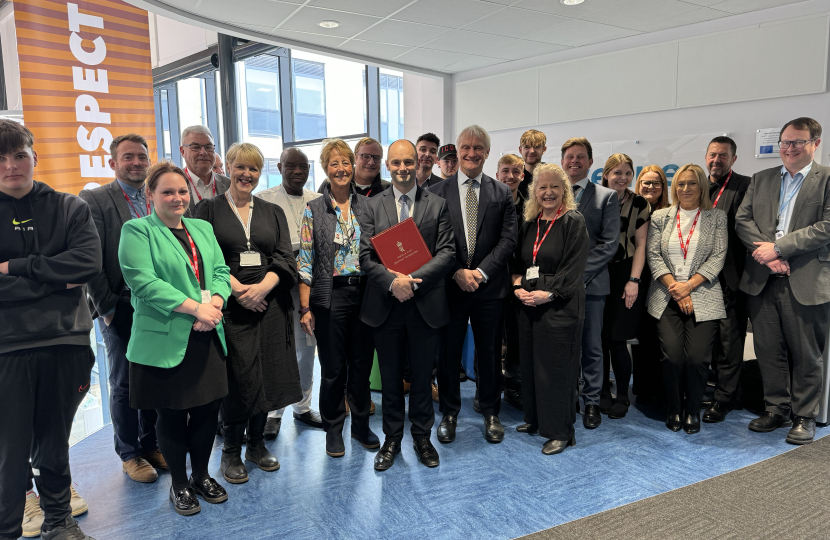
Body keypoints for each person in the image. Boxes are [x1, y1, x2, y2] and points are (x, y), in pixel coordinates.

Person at [0, 119, 102, 540]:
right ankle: (8, 527)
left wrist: (14, 270)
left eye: (19, 155)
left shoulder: (68, 207)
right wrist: (55, 281)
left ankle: (59, 522)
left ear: (33, 158)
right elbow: (70, 271)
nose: (10, 166)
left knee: (54, 441)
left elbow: (88, 265)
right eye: (1, 158)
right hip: (7, 347)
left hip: (66, 340)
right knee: (10, 449)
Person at [119, 161, 231, 516]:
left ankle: (202, 476)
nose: (177, 197)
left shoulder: (202, 227)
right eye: (167, 191)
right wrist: (194, 309)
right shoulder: (137, 231)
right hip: (166, 339)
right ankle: (179, 484)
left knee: (206, 413)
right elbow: (144, 282)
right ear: (151, 195)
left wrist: (214, 302)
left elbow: (220, 271)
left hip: (208, 333)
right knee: (171, 416)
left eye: (182, 191)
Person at [195, 142, 302, 483]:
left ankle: (256, 445)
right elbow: (203, 259)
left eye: (254, 169)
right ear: (226, 167)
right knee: (238, 378)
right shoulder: (206, 210)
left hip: (270, 304)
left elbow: (285, 256)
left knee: (268, 375)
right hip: (230, 306)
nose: (247, 174)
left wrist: (264, 287)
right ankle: (230, 452)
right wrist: (239, 290)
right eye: (240, 167)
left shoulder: (272, 211)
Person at [359, 139, 455, 470]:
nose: (403, 169)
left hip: (424, 303)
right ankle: (392, 439)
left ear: (418, 164)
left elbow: (447, 252)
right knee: (389, 379)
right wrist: (392, 282)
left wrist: (411, 282)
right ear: (388, 165)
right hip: (386, 305)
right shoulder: (372, 206)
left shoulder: (438, 204)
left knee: (421, 376)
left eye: (409, 162)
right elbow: (365, 256)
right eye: (396, 163)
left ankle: (422, 438)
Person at [736, 117, 830, 445]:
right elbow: (743, 219)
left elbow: (827, 226)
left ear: (815, 143)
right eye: (785, 142)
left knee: (806, 353)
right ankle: (776, 409)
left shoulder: (827, 178)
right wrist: (770, 257)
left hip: (806, 279)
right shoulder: (761, 179)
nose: (789, 148)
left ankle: (804, 416)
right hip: (763, 278)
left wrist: (779, 248)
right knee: (767, 348)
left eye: (798, 142)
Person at [79, 134, 167, 484]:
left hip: (160, 304)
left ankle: (151, 443)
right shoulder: (96, 199)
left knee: (153, 377)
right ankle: (129, 453)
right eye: (128, 157)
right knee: (125, 383)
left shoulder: (156, 196)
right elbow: (91, 259)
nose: (136, 163)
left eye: (142, 157)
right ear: (113, 162)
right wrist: (107, 308)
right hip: (122, 305)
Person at [429, 125, 517, 444]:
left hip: (490, 289)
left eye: (478, 148)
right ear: (457, 151)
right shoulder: (436, 193)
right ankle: (449, 413)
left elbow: (508, 239)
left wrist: (480, 272)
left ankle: (491, 412)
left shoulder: (501, 192)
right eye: (466, 147)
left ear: (487, 153)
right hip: (450, 289)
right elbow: (433, 241)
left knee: (490, 353)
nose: (470, 153)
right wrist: (456, 271)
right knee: (448, 354)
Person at [298, 139, 379, 458]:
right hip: (328, 296)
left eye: (346, 162)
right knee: (332, 368)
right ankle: (334, 428)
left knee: (361, 365)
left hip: (366, 293)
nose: (342, 168)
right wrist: (305, 307)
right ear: (326, 169)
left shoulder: (368, 206)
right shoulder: (314, 208)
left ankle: (360, 425)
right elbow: (306, 259)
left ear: (353, 166)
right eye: (334, 163)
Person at [510, 163, 589, 455]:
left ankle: (560, 431)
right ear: (534, 192)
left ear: (564, 190)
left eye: (555, 186)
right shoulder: (530, 223)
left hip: (561, 307)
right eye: (542, 187)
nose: (548, 192)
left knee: (557, 371)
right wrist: (517, 285)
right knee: (531, 366)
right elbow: (519, 263)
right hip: (529, 305)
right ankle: (534, 420)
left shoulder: (572, 221)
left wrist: (548, 292)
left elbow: (573, 269)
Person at [646, 164, 727, 435]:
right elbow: (654, 256)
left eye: (692, 183)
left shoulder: (717, 217)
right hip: (666, 295)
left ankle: (692, 409)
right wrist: (676, 288)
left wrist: (689, 286)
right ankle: (674, 408)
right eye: (680, 184)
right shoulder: (661, 216)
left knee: (696, 359)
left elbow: (718, 257)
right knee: (671, 358)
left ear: (702, 186)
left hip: (703, 295)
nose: (685, 189)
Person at [256, 148, 324, 438]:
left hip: (309, 286)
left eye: (303, 167)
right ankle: (274, 412)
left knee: (307, 349)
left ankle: (303, 406)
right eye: (291, 166)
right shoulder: (263, 200)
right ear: (280, 167)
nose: (298, 172)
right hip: (276, 283)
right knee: (276, 348)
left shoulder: (319, 200)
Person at [562, 137, 619, 429]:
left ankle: (592, 402)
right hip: (558, 287)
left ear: (590, 162)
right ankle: (567, 397)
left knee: (591, 346)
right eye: (570, 156)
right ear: (562, 161)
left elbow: (609, 245)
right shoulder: (553, 194)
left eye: (580, 157)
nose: (575, 161)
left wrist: (577, 275)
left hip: (592, 285)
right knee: (565, 344)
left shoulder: (606, 197)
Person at [702, 136, 752, 423]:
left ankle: (724, 398)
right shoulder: (697, 186)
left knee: (729, 340)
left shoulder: (745, 186)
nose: (716, 160)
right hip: (699, 278)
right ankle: (707, 389)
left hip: (730, 278)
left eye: (723, 155)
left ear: (733, 158)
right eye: (712, 154)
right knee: (705, 340)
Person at [598, 154, 651, 419]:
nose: (623, 178)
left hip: (625, 272)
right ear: (605, 174)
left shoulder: (639, 203)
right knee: (600, 339)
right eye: (617, 172)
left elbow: (641, 244)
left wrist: (634, 280)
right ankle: (602, 393)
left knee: (618, 338)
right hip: (597, 272)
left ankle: (621, 395)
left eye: (628, 173)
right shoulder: (594, 198)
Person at [631, 166, 669, 403]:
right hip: (636, 278)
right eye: (645, 182)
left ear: (663, 187)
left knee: (658, 336)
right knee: (640, 335)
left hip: (661, 281)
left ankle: (659, 386)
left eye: (656, 183)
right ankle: (642, 387)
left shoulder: (671, 212)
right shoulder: (632, 208)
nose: (650, 187)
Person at [495, 153, 527, 409]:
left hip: (521, 281)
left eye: (516, 171)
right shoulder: (489, 202)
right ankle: (489, 387)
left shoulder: (532, 206)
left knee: (515, 336)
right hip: (493, 279)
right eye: (506, 171)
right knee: (490, 336)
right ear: (497, 174)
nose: (510, 176)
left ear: (523, 176)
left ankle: (515, 387)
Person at [179, 125, 230, 213]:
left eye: (208, 147)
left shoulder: (229, 185)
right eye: (195, 147)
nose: (203, 152)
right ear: (182, 151)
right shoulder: (172, 185)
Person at [318, 136, 391, 197]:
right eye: (365, 156)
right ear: (355, 158)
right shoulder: (330, 184)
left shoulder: (388, 189)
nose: (371, 162)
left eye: (376, 158)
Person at [519, 129, 547, 200]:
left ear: (544, 149)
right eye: (527, 147)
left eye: (537, 146)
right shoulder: (516, 178)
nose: (531, 151)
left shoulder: (552, 175)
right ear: (520, 150)